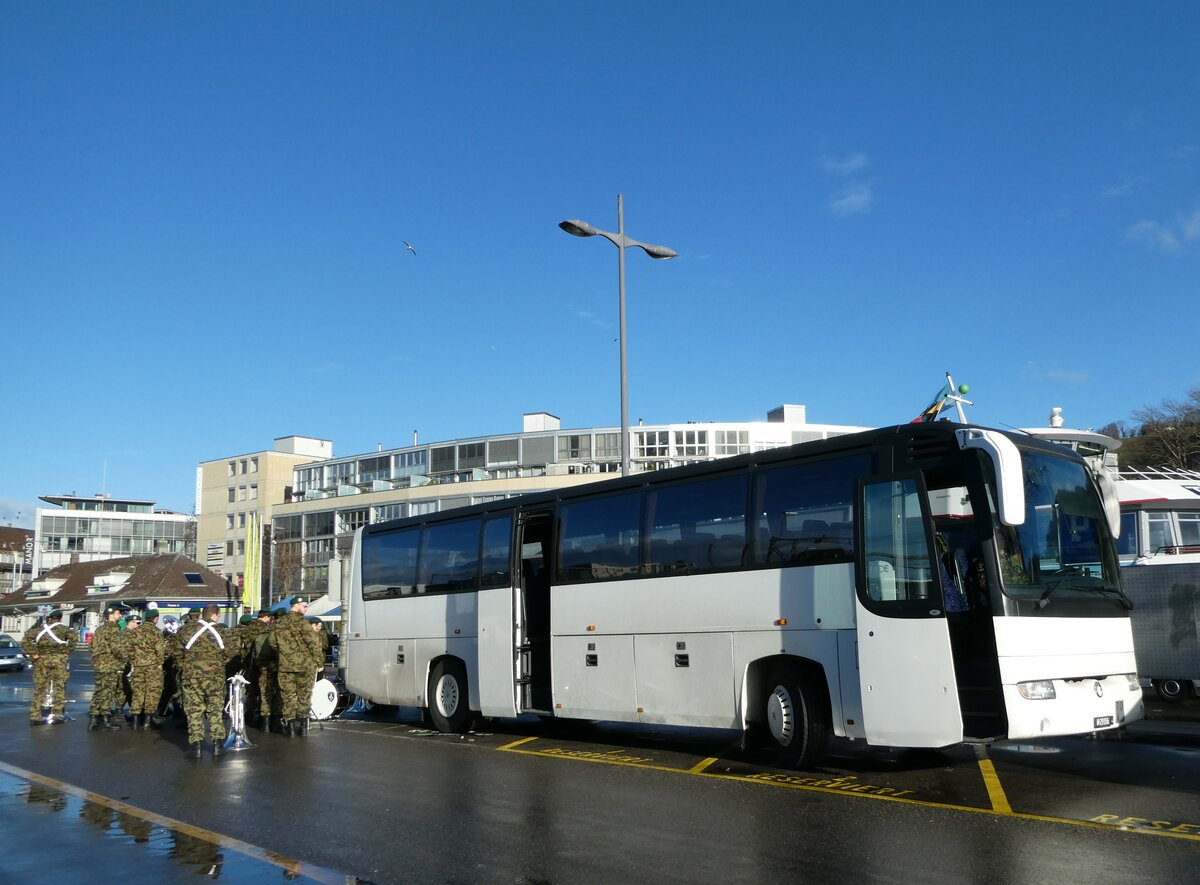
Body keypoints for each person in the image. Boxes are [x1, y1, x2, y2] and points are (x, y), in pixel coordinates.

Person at [178, 604, 233, 757]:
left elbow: (176, 651)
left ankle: (196, 746)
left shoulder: (187, 629)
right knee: (215, 708)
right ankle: (217, 745)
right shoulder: (222, 631)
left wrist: (186, 665)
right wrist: (219, 663)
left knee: (194, 709)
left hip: (191, 674)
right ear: (216, 615)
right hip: (215, 675)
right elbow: (230, 652)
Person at [268, 597, 323, 737]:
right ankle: (303, 728)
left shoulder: (278, 623)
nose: (306, 609)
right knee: (304, 697)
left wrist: (285, 653)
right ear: (296, 606)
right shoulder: (303, 623)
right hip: (305, 666)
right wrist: (319, 663)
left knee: (288, 697)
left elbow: (272, 643)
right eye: (304, 606)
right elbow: (314, 644)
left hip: (285, 666)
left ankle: (290, 728)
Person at [21, 609, 78, 725]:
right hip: (59, 659)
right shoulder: (64, 629)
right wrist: (67, 651)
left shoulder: (39, 629)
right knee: (59, 687)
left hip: (41, 659)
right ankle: (57, 714)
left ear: (50, 618)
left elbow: (25, 640)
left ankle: (35, 715)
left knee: (39, 688)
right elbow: (74, 638)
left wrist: (33, 653)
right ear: (60, 618)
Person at [89, 603, 130, 731]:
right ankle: (105, 720)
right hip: (110, 665)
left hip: (99, 665)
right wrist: (125, 657)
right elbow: (118, 649)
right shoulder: (115, 629)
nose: (120, 615)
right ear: (111, 615)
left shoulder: (99, 629)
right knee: (108, 692)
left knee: (99, 692)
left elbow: (92, 647)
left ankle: (94, 719)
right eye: (118, 613)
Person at [127, 609, 166, 729]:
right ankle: (148, 721)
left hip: (138, 666)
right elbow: (160, 650)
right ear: (155, 618)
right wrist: (160, 663)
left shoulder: (135, 631)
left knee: (138, 692)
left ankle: (135, 721)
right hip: (152, 666)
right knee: (152, 692)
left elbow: (130, 650)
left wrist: (134, 662)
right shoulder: (156, 632)